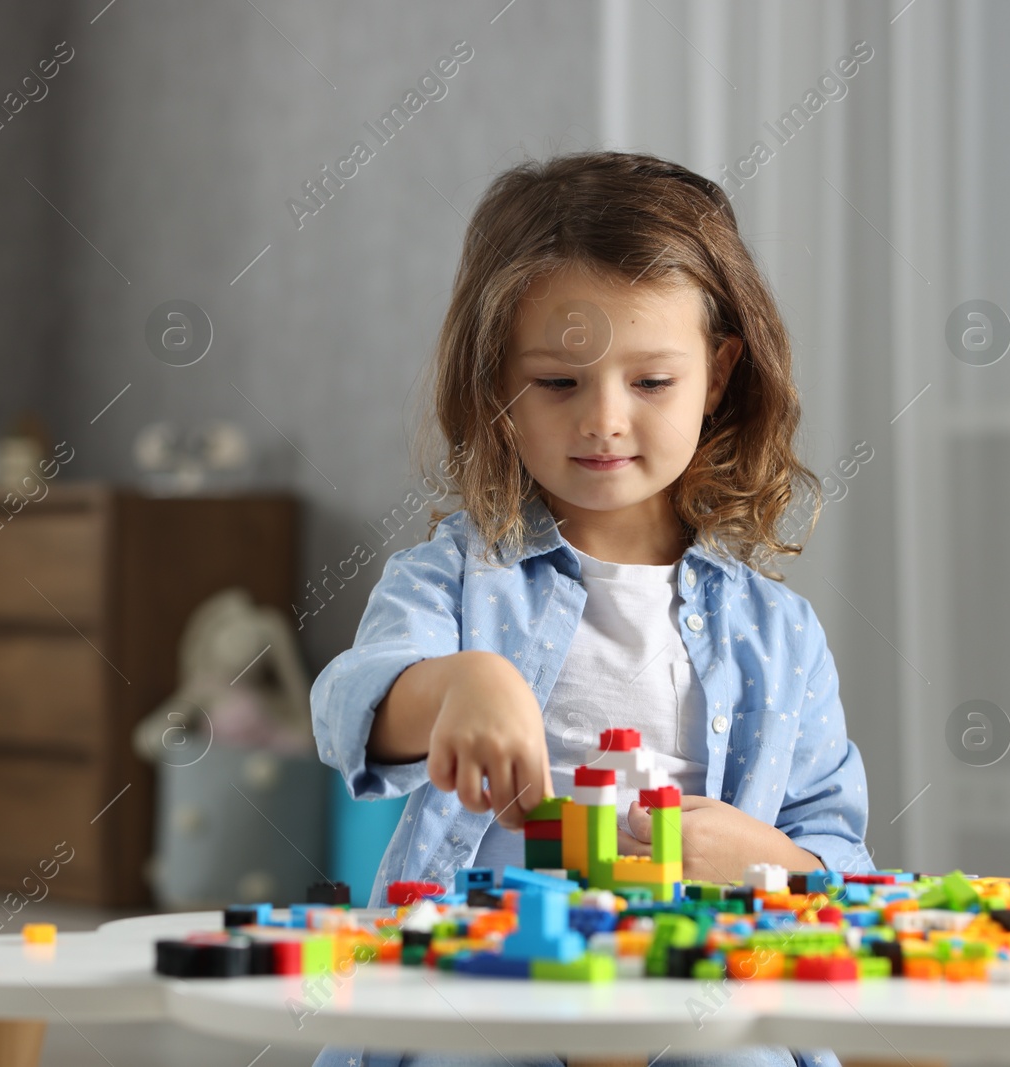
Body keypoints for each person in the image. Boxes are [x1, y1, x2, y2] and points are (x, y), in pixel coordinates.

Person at [308, 150, 870, 1067]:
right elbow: (349, 708)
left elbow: (837, 855)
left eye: (651, 383)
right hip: (485, 980)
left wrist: (773, 864)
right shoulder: (455, 578)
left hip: (702, 988)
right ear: (498, 385)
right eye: (559, 383)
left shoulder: (779, 635)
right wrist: (458, 684)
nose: (604, 419)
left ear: (719, 374)